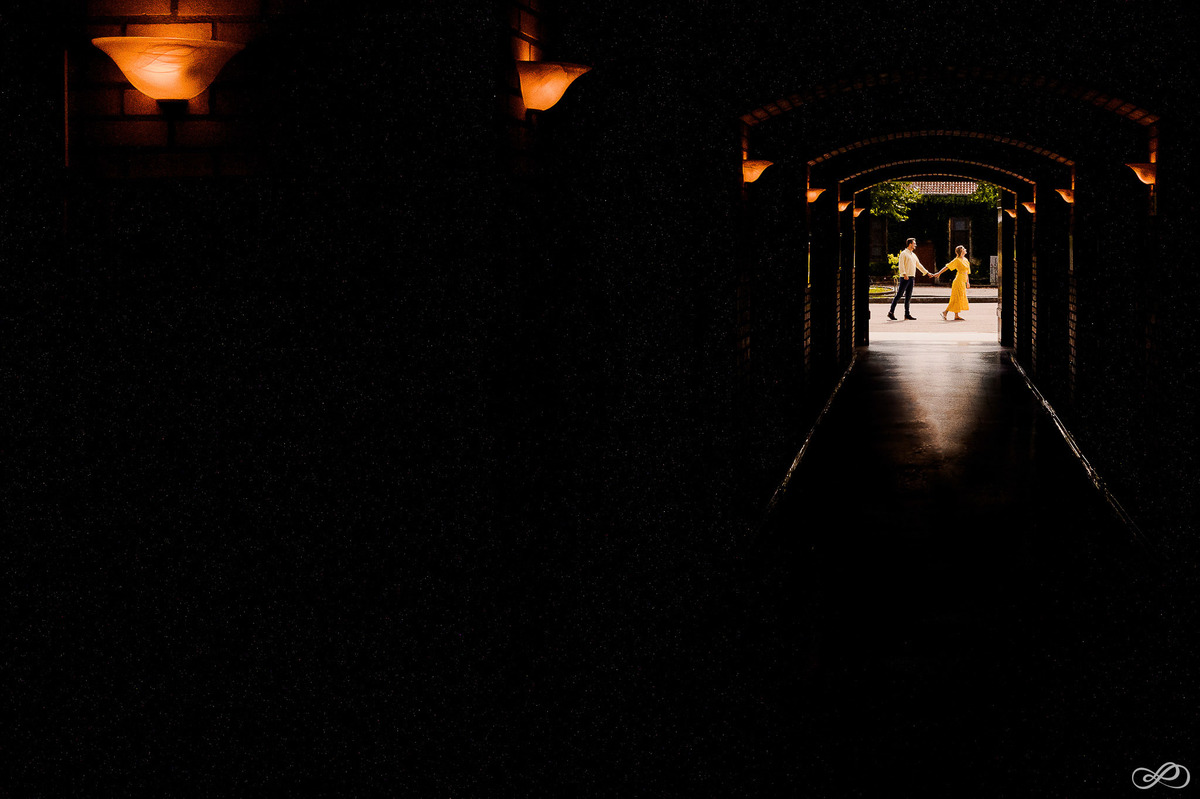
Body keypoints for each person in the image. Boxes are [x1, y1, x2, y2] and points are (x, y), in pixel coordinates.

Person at [887, 238, 932, 320]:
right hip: (905, 278)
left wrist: (927, 273)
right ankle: (891, 312)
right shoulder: (904, 254)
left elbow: (919, 265)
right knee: (899, 295)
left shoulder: (913, 255)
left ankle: (907, 314)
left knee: (908, 296)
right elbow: (901, 265)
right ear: (910, 244)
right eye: (914, 243)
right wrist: (904, 274)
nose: (915, 245)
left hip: (911, 278)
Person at [932, 245, 971, 320]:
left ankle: (956, 315)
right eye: (963, 249)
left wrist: (967, 282)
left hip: (963, 280)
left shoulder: (966, 260)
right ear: (960, 251)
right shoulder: (957, 260)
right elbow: (947, 267)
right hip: (958, 280)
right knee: (956, 297)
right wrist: (939, 273)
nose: (965, 249)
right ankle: (946, 312)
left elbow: (967, 272)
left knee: (959, 297)